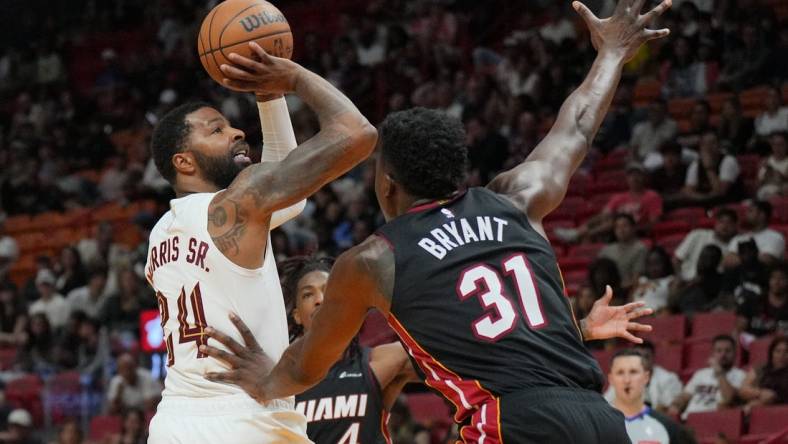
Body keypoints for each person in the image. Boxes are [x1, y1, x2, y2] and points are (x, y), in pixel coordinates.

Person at [202, 2, 671, 442]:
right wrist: (611, 53)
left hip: (511, 422)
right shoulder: (516, 200)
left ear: (387, 184)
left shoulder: (373, 259)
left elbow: (305, 366)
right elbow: (579, 126)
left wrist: (261, 382)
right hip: (600, 420)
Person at [144, 39, 378, 443]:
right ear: (184, 161)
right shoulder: (236, 207)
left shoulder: (163, 230)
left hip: (174, 422)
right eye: (216, 130)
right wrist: (292, 77)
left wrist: (268, 97)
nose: (236, 130)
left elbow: (289, 197)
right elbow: (358, 133)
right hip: (241, 417)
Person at [277, 256, 418, 442]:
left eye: (328, 291)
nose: (320, 299)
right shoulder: (281, 384)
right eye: (308, 294)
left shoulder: (376, 364)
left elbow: (451, 356)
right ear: (296, 316)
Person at [607, 349, 694, 444]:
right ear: (611, 379)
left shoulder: (668, 428)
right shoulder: (595, 425)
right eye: (620, 372)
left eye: (633, 372)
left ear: (646, 377)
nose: (627, 380)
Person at [668, 335, 746, 420]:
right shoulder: (701, 374)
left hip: (714, 421)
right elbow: (686, 395)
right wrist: (676, 404)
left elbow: (729, 398)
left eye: (727, 351)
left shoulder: (741, 375)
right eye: (719, 351)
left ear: (735, 353)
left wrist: (719, 372)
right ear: (713, 353)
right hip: (688, 419)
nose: (723, 354)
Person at [604, 341, 683, 413]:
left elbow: (669, 409)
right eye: (638, 357)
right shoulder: (622, 379)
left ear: (653, 357)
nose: (642, 361)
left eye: (646, 357)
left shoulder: (668, 379)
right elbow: (606, 404)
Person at [673, 208, 737, 282]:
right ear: (715, 223)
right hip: (686, 280)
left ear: (735, 226)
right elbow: (677, 259)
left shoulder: (734, 247)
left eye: (729, 223)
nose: (725, 226)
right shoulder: (697, 234)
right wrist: (679, 278)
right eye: (721, 222)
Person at [598, 213, 649, 289]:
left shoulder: (640, 249)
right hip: (606, 290)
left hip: (628, 291)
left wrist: (617, 289)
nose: (621, 230)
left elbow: (637, 279)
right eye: (617, 227)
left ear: (633, 228)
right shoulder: (606, 249)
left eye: (625, 226)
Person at [735, 264, 788, 337]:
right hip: (754, 345)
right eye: (773, 277)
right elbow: (738, 332)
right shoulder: (751, 303)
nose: (777, 282)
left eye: (782, 278)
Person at [727, 200, 785, 265]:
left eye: (750, 211)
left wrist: (739, 259)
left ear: (762, 215)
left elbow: (766, 260)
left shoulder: (775, 237)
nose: (746, 214)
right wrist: (754, 258)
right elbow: (728, 261)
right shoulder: (739, 237)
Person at [738, 336, 788, 410]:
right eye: (778, 351)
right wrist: (760, 393)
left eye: (786, 352)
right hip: (756, 407)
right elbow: (743, 390)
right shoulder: (761, 369)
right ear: (771, 353)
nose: (781, 355)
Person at [630, 247, 675, 312]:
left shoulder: (670, 280)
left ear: (665, 263)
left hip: (658, 316)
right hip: (636, 317)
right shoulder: (640, 280)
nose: (653, 268)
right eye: (650, 264)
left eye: (657, 263)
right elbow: (629, 302)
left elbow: (672, 304)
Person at [756, 131, 788, 201]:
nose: (777, 148)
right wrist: (764, 176)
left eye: (781, 145)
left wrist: (780, 176)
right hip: (764, 192)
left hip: (781, 194)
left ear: (786, 145)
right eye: (775, 145)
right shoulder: (765, 161)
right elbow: (758, 184)